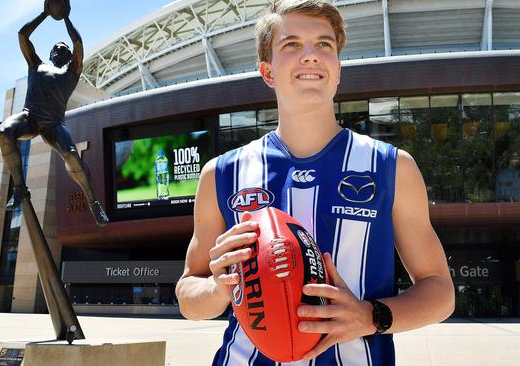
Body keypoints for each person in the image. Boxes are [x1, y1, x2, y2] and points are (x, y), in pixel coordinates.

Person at [176, 1, 455, 365]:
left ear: (337, 69)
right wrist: (217, 289)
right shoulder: (221, 173)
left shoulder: (391, 166)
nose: (310, 56)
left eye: (324, 45)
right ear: (268, 71)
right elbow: (188, 293)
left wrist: (372, 317)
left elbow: (440, 291)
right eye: (291, 44)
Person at [0, 4, 108, 227]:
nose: (59, 49)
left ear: (68, 57)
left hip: (54, 124)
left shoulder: (72, 72)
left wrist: (65, 17)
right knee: (3, 133)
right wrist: (46, 14)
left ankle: (93, 203)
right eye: (56, 47)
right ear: (50, 53)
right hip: (30, 117)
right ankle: (19, 189)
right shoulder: (36, 65)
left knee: (72, 156)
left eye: (63, 48)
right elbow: (22, 35)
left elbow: (78, 43)